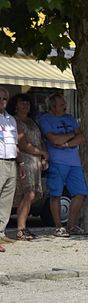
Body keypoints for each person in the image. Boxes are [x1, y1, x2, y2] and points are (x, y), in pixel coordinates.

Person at [38, 93, 88, 237]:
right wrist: (72, 135)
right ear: (52, 107)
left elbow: (82, 137)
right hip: (57, 161)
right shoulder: (45, 119)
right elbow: (54, 139)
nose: (65, 107)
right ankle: (58, 227)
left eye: (64, 103)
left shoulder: (70, 118)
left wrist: (66, 143)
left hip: (74, 162)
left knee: (80, 193)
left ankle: (71, 225)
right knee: (56, 194)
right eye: (61, 104)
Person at [9, 92, 48, 241]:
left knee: (30, 196)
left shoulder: (32, 121)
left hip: (35, 162)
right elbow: (23, 145)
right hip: (24, 161)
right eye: (22, 103)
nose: (25, 105)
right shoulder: (16, 121)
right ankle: (20, 228)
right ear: (16, 105)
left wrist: (43, 158)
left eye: (27, 103)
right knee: (27, 194)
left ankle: (22, 226)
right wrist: (42, 152)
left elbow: (39, 140)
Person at [0, 86, 24, 252]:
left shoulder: (10, 120)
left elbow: (15, 144)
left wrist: (20, 163)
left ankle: (1, 232)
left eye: (4, 99)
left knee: (6, 200)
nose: (1, 102)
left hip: (11, 161)